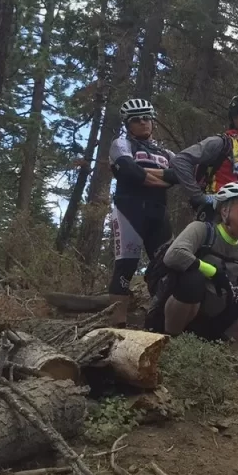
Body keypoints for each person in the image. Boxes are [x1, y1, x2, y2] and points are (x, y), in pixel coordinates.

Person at [155, 181, 238, 365]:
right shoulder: (201, 229)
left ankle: (218, 348)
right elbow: (173, 255)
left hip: (217, 318)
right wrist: (212, 272)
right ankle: (171, 344)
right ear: (225, 211)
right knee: (192, 279)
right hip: (185, 312)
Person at [170, 93, 238, 245]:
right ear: (235, 117)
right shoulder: (221, 143)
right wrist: (199, 197)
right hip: (217, 218)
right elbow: (180, 160)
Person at [108, 98, 175, 326]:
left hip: (159, 213)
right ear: (128, 124)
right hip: (129, 211)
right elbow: (129, 170)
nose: (143, 122)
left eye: (147, 118)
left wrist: (144, 174)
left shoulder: (165, 152)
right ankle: (118, 324)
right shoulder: (121, 143)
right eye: (136, 120)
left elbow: (178, 175)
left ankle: (157, 319)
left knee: (165, 266)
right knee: (126, 266)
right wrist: (162, 178)